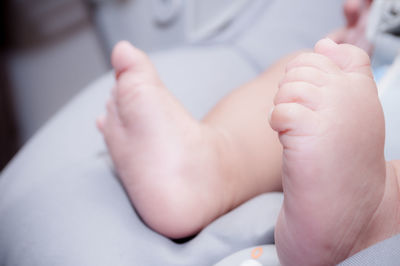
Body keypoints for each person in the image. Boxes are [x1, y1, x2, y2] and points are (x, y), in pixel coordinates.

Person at [97, 0, 400, 265]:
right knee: (301, 79)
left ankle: (372, 214)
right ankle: (208, 165)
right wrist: (369, 15)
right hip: (376, 72)